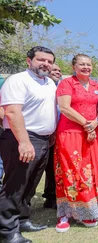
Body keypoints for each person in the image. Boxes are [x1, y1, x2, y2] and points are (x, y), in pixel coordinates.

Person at [0, 46, 57, 243]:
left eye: (49, 61)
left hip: (43, 140)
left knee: (30, 184)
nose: (46, 64)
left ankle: (22, 220)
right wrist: (24, 142)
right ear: (29, 61)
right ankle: (7, 231)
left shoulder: (49, 83)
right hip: (21, 138)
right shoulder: (18, 80)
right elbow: (12, 112)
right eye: (41, 60)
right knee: (15, 186)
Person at [54, 54, 98, 233]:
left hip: (92, 134)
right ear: (74, 66)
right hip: (71, 133)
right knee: (70, 171)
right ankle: (65, 214)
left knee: (90, 171)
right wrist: (86, 124)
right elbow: (65, 108)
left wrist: (95, 124)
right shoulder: (66, 84)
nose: (86, 67)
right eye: (81, 64)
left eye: (88, 64)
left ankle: (88, 211)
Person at [42, 63, 62, 210]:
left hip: (58, 134)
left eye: (60, 71)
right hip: (41, 133)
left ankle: (50, 197)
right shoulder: (42, 87)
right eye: (54, 70)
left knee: (52, 168)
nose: (58, 72)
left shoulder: (61, 87)